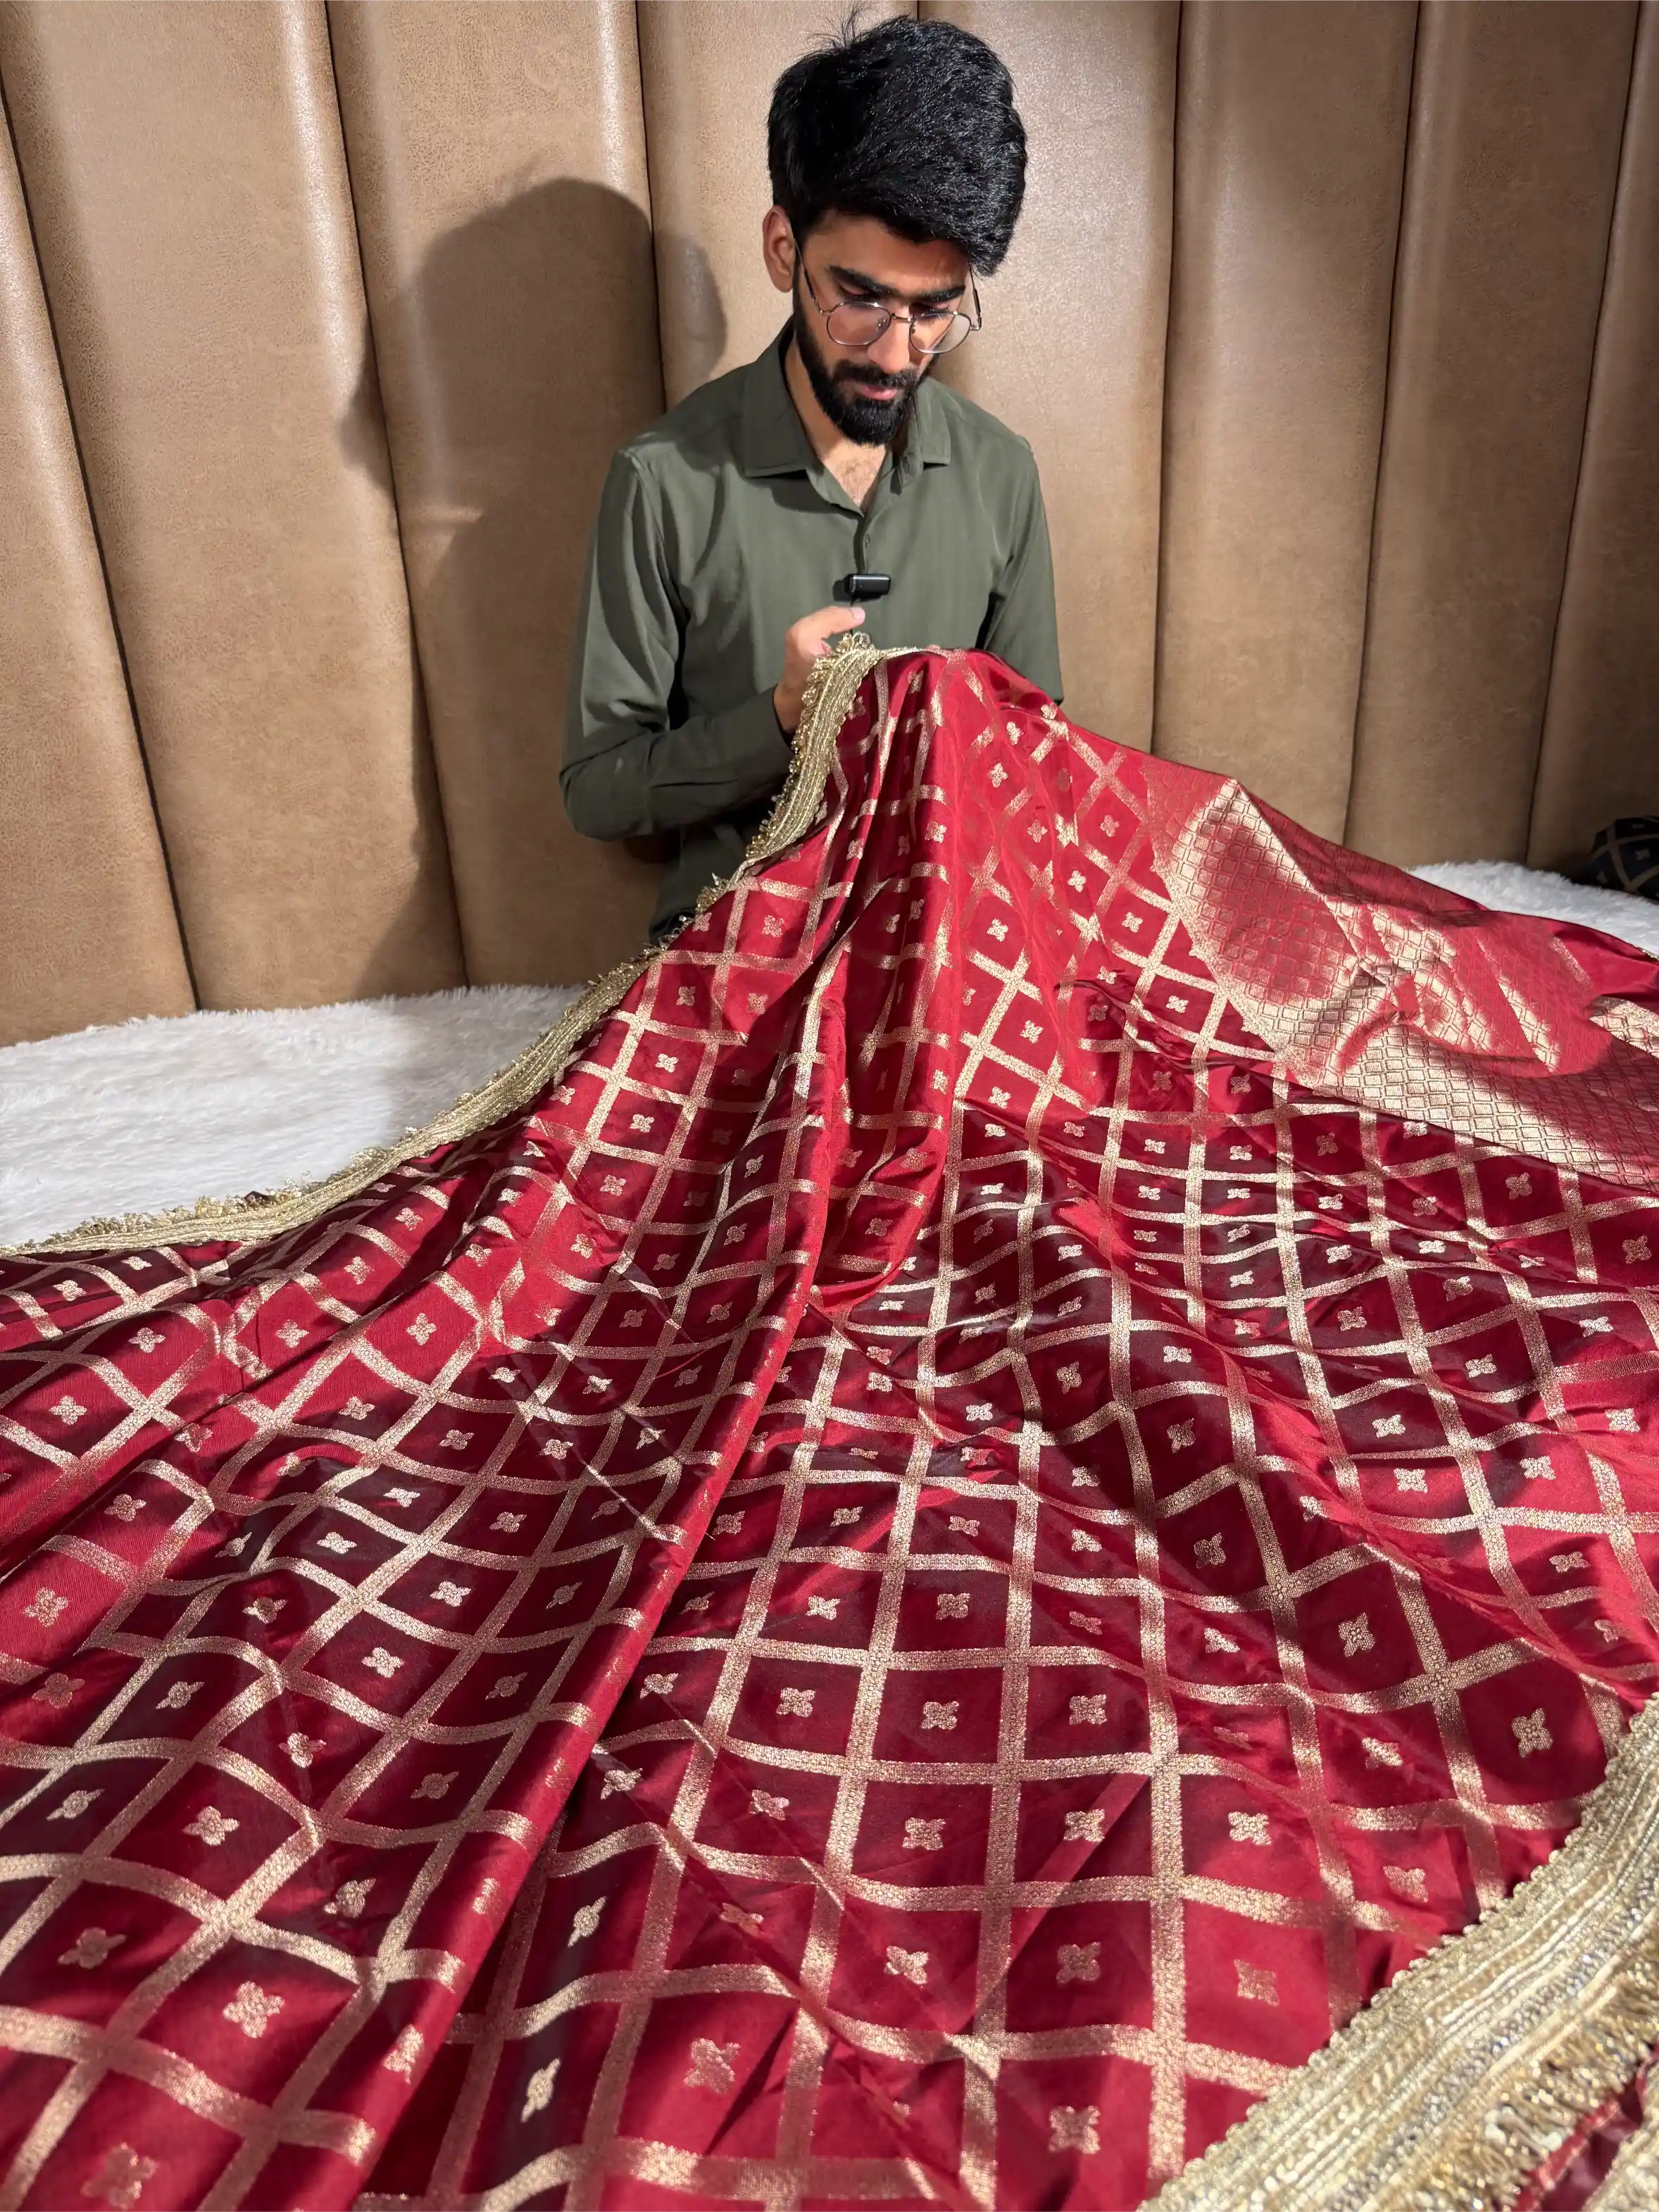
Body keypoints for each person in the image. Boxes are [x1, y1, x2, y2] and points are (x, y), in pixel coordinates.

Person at [562, 15, 1062, 938]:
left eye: (934, 311)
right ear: (784, 251)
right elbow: (597, 790)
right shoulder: (661, 482)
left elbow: (1035, 761)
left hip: (941, 942)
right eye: (859, 299)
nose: (898, 353)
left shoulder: (1001, 471)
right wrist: (782, 718)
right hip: (738, 946)